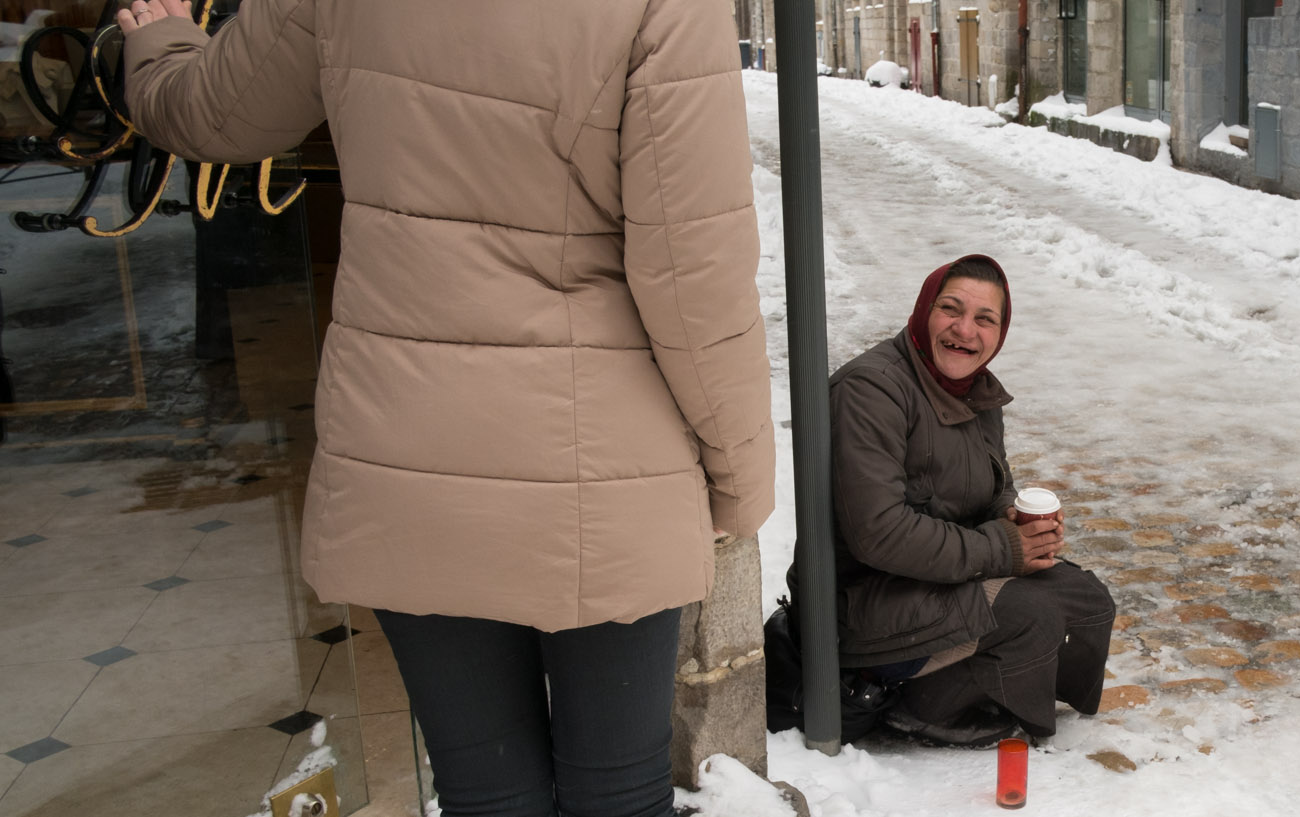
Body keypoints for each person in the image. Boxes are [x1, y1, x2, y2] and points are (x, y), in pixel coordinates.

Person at [117, 1, 774, 815]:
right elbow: (694, 272)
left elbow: (210, 114)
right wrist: (738, 474)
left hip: (408, 444)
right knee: (617, 793)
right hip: (603, 465)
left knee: (485, 790)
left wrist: (158, 40)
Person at [827, 254, 1115, 747]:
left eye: (985, 319)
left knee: (1087, 599)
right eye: (951, 310)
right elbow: (878, 532)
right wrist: (1004, 548)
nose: (966, 330)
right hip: (866, 599)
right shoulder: (871, 390)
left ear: (1000, 332)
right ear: (924, 311)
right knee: (1029, 613)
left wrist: (1010, 513)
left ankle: (995, 684)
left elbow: (991, 482)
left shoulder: (973, 388)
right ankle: (920, 704)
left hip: (943, 577)